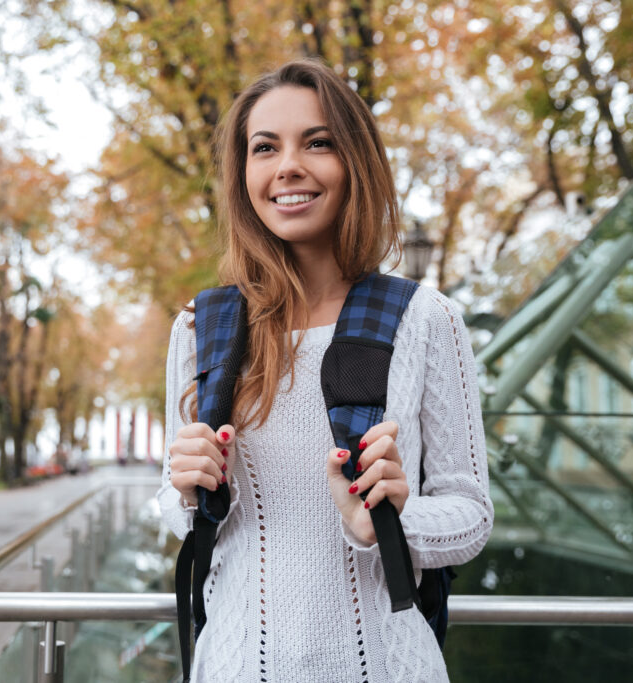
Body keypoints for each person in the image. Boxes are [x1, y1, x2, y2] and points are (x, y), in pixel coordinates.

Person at [158, 59, 493, 682]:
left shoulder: (425, 319)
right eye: (265, 148)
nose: (288, 165)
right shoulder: (199, 328)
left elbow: (470, 512)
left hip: (388, 668)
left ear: (355, 163)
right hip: (232, 668)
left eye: (318, 142)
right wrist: (185, 490)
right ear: (244, 174)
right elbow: (174, 505)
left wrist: (388, 520)